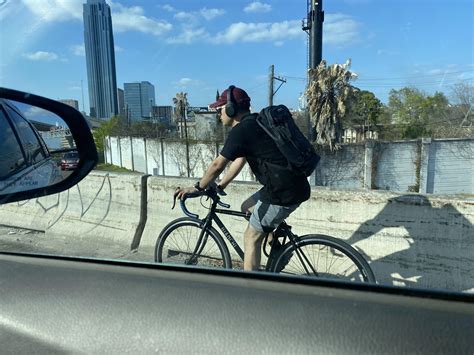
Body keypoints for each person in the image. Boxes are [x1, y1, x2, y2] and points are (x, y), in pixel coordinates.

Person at [175, 85, 310, 271]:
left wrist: (198, 187)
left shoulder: (240, 131)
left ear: (231, 108)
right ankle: (276, 248)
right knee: (247, 207)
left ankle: (251, 289)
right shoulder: (255, 123)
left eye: (221, 108)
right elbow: (239, 160)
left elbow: (217, 165)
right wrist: (220, 186)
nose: (218, 113)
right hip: (292, 184)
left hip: (282, 192)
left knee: (250, 237)